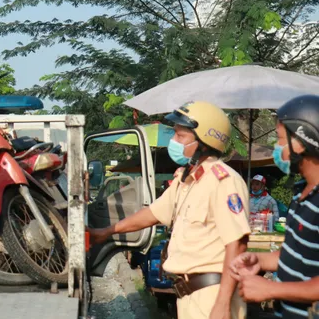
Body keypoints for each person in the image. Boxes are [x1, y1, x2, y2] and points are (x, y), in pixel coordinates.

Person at [89, 101, 251, 319]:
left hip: (213, 295)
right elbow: (152, 214)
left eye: (180, 136)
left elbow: (237, 245)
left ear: (204, 142)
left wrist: (222, 303)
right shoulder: (187, 180)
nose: (173, 142)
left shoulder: (224, 181)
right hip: (188, 294)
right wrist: (108, 231)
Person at [230, 94, 319, 318]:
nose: (276, 147)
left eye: (279, 139)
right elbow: (293, 252)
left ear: (299, 143)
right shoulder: (301, 191)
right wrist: (258, 260)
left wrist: (271, 289)